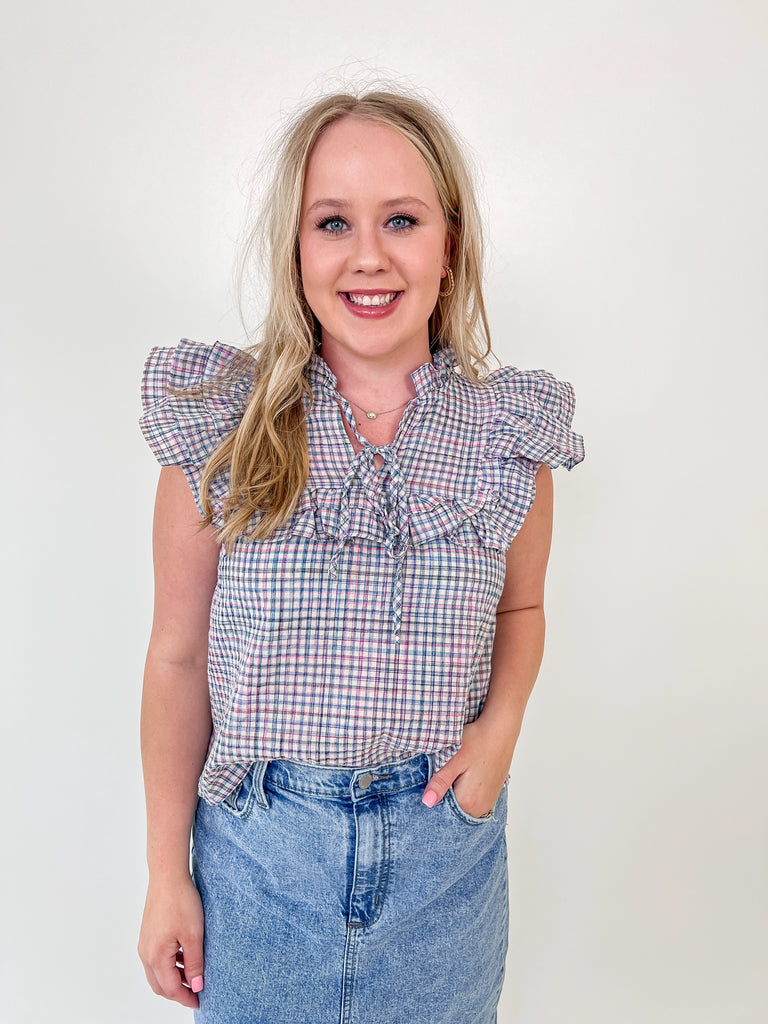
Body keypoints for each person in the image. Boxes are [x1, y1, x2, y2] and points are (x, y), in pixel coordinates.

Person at [137, 88, 584, 1023]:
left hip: (443, 867)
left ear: (448, 245)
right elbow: (177, 658)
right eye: (333, 222)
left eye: (402, 220)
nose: (369, 255)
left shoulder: (506, 439)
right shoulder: (227, 430)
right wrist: (165, 874)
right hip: (258, 867)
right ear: (296, 249)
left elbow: (521, 609)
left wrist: (500, 730)